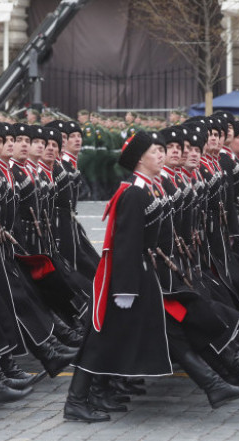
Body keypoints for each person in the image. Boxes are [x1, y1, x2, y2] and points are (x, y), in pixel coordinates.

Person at [64, 131, 173, 423]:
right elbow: (124, 243)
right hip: (125, 277)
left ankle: (100, 392)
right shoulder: (134, 193)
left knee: (118, 336)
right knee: (102, 338)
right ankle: (75, 402)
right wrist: (125, 288)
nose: (161, 155)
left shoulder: (146, 189)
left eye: (162, 150)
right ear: (140, 158)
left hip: (140, 273)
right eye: (155, 151)